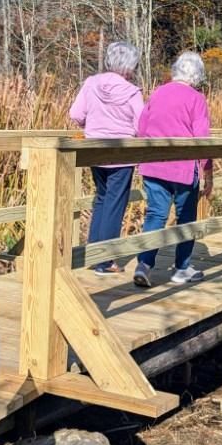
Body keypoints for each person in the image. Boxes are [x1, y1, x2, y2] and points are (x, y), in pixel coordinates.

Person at [133, 51, 213, 288]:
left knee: (155, 214)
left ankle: (144, 264)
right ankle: (181, 268)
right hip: (183, 168)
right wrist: (208, 171)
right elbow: (202, 138)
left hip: (154, 165)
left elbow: (141, 128)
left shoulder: (158, 93)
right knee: (186, 216)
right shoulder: (196, 98)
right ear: (197, 75)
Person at [69, 41, 146, 275]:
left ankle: (93, 254)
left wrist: (92, 125)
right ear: (130, 66)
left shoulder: (91, 83)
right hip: (122, 155)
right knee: (114, 204)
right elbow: (141, 125)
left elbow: (75, 114)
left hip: (95, 150)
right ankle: (104, 260)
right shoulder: (132, 91)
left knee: (101, 200)